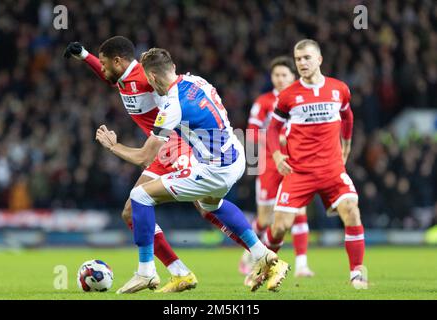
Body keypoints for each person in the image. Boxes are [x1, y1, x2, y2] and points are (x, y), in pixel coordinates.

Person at [95, 48, 290, 293]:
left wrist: (113, 146)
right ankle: (266, 257)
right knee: (211, 206)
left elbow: (144, 156)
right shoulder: (197, 81)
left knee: (139, 197)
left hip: (213, 170)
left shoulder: (171, 106)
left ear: (153, 78)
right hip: (235, 156)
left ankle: (145, 271)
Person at [64, 36, 248, 293]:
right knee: (139, 210)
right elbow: (106, 74)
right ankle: (180, 271)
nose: (103, 70)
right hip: (166, 150)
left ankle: (256, 255)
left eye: (105, 64)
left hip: (174, 146)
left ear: (118, 62)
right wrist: (85, 56)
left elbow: (171, 92)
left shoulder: (143, 77)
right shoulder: (122, 78)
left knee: (198, 206)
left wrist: (117, 147)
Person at [266, 39, 367, 289]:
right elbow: (272, 128)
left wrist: (347, 143)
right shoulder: (288, 95)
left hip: (332, 169)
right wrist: (278, 157)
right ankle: (264, 267)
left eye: (307, 58)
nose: (302, 63)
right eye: (298, 59)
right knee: (279, 228)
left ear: (319, 60)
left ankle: (357, 273)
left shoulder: (339, 89)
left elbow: (347, 116)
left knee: (352, 210)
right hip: (299, 172)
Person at [241, 56, 314, 279]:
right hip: (268, 165)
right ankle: (249, 254)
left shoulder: (302, 100)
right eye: (276, 75)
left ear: (293, 77)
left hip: (294, 164)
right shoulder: (263, 102)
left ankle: (302, 265)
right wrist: (275, 142)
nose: (280, 79)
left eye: (284, 75)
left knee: (299, 211)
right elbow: (252, 133)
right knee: (265, 220)